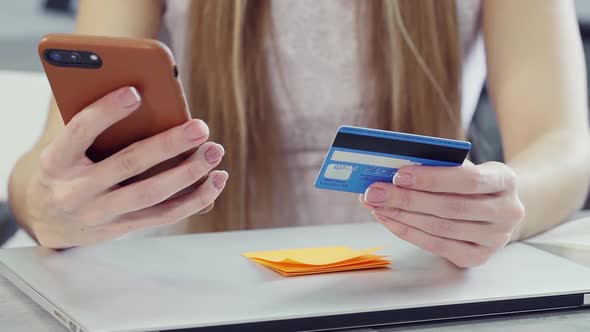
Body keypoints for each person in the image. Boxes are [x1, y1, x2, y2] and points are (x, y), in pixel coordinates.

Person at [8, 0, 590, 268]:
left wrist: (504, 200)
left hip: (410, 276)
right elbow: (44, 167)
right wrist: (49, 207)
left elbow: (564, 146)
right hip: (193, 278)